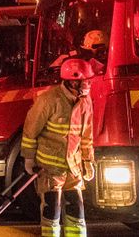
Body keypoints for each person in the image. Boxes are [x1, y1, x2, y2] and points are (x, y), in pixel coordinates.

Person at [21, 58, 96, 237]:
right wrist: (29, 158)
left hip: (72, 167)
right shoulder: (49, 100)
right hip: (49, 168)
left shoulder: (85, 102)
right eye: (84, 81)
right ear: (72, 81)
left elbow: (86, 135)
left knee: (76, 208)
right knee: (52, 209)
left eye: (88, 81)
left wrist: (87, 160)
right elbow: (30, 130)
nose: (87, 84)